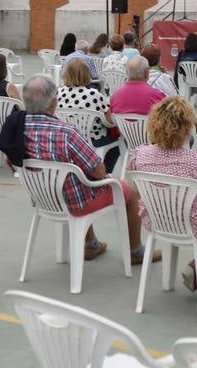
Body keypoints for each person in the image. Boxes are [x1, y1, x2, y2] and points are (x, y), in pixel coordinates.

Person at [19, 74, 159, 265]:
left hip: (43, 197)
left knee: (77, 181)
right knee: (130, 193)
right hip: (73, 201)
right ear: (53, 102)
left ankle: (91, 243)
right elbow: (99, 171)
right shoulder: (65, 132)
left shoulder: (17, 129)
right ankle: (136, 251)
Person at [130, 96, 197, 291]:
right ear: (186, 127)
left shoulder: (140, 155)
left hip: (159, 220)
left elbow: (135, 186)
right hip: (195, 224)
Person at [57, 58, 117, 170]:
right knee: (117, 143)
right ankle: (106, 171)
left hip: (68, 139)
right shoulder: (94, 94)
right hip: (93, 139)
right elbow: (109, 121)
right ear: (86, 74)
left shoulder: (59, 93)